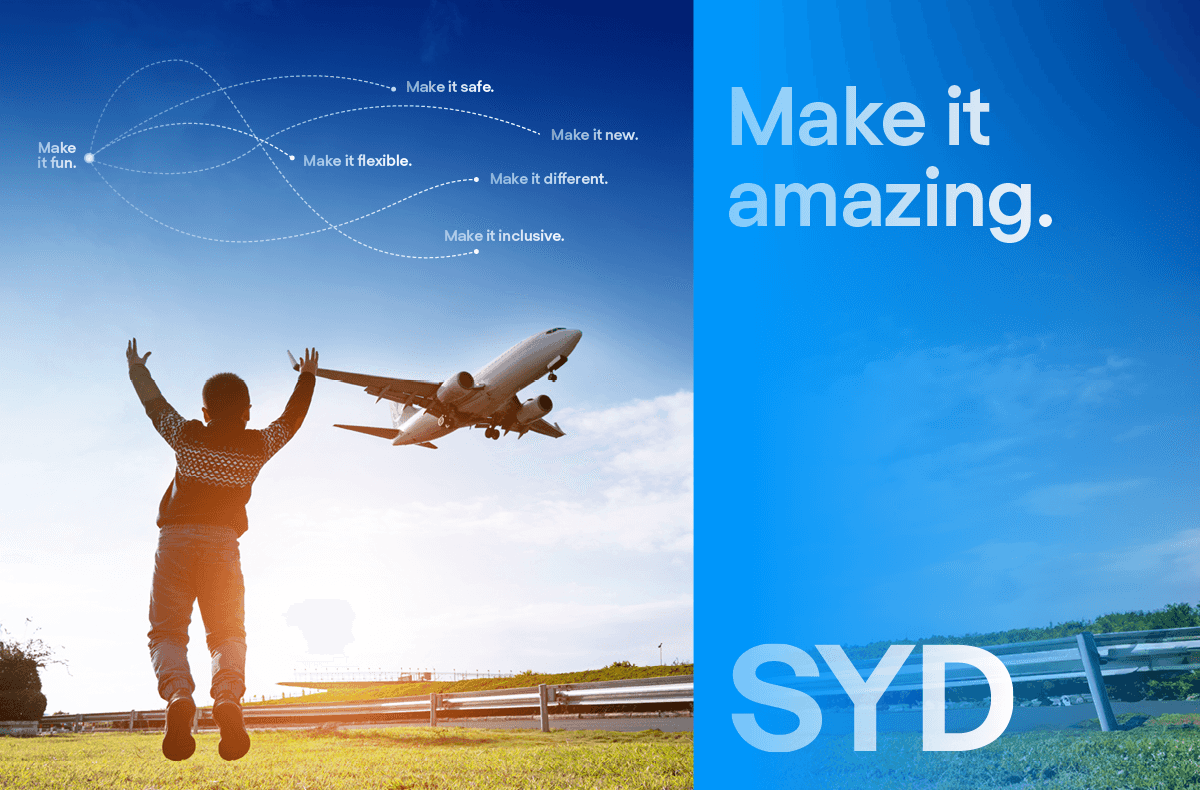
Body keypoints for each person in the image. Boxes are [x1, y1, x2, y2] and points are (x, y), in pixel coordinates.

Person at [126, 339, 318, 761]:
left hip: (175, 541)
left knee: (167, 631)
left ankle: (178, 696)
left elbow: (154, 405)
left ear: (205, 412)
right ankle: (227, 699)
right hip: (222, 546)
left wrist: (136, 368)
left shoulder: (187, 436)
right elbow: (292, 419)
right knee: (227, 632)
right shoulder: (257, 446)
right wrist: (307, 377)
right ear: (248, 411)